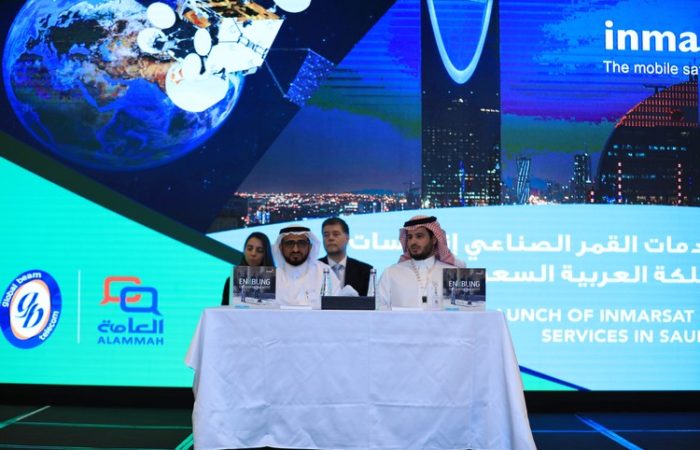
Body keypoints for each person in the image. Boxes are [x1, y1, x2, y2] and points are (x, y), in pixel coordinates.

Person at [376, 215, 465, 309]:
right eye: (410, 237)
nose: (413, 242)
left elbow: (464, 311)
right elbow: (378, 308)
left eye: (419, 236)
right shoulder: (391, 273)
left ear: (434, 239)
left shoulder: (453, 274)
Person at [272, 226, 340, 307]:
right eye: (289, 244)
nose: (295, 250)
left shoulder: (324, 272)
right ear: (280, 247)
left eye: (301, 243)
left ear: (310, 247)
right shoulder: (272, 277)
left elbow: (337, 307)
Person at [319, 217, 374, 296]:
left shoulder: (365, 271)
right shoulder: (314, 268)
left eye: (336, 234)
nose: (330, 238)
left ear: (347, 238)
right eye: (326, 235)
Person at [221, 232, 274, 305]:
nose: (253, 253)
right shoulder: (230, 281)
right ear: (244, 250)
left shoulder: (278, 282)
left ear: (266, 254)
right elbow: (223, 310)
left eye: (259, 250)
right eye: (249, 249)